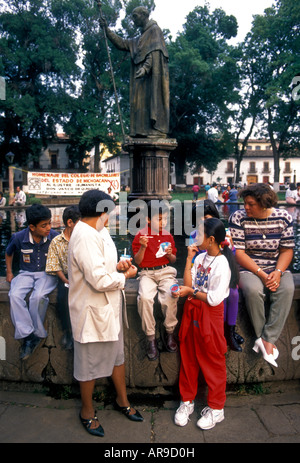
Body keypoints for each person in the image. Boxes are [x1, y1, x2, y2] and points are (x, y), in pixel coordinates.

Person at [68, 189, 143, 437]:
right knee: (88, 365)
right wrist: (125, 276)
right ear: (102, 212)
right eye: (109, 212)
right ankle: (87, 412)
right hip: (92, 312)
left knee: (116, 357)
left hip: (108, 308)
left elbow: (101, 266)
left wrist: (118, 266)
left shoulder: (97, 232)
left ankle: (122, 400)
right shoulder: (84, 236)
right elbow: (98, 280)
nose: (110, 216)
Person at [174, 218, 239, 430]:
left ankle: (216, 408)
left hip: (210, 315)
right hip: (193, 311)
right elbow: (188, 283)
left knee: (213, 360)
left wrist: (191, 292)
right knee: (189, 356)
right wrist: (188, 259)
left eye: (199, 234)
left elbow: (213, 298)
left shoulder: (222, 264)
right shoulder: (201, 257)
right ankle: (186, 401)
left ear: (211, 239)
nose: (195, 236)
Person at [229, 183, 295, 367]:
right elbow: (239, 253)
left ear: (264, 203)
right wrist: (261, 274)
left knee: (287, 288)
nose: (246, 207)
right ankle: (262, 338)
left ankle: (267, 339)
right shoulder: (238, 217)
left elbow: (286, 250)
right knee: (252, 290)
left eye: (251, 204)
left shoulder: (283, 217)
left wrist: (278, 272)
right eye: (245, 203)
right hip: (247, 267)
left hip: (276, 265)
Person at [100, 7, 169, 138]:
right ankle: (141, 132)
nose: (133, 19)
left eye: (135, 16)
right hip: (141, 80)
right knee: (139, 104)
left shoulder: (154, 31)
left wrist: (145, 68)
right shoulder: (139, 38)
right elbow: (122, 43)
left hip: (149, 77)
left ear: (144, 15)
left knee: (150, 103)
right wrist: (107, 30)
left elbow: (155, 52)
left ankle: (154, 130)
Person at [5, 204, 58, 360]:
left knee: (38, 296)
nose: (48, 227)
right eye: (44, 225)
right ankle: (28, 334)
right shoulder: (18, 237)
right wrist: (9, 272)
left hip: (47, 274)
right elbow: (9, 253)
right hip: (25, 273)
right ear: (32, 227)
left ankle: (36, 333)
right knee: (14, 295)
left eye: (49, 223)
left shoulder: (54, 236)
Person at [191, 200, 243, 352]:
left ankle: (230, 331)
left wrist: (230, 244)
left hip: (223, 273)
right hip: (206, 276)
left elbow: (231, 257)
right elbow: (195, 260)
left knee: (233, 294)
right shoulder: (195, 235)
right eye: (199, 218)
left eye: (206, 217)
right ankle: (222, 330)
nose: (203, 221)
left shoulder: (223, 233)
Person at [132, 201, 178, 360]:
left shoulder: (167, 235)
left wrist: (170, 254)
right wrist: (143, 247)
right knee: (144, 298)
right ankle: (150, 337)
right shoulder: (140, 236)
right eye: (159, 219)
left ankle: (169, 331)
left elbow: (173, 260)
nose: (163, 222)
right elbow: (137, 262)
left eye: (165, 219)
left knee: (171, 296)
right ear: (148, 219)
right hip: (147, 274)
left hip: (165, 272)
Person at [45, 205, 81, 349]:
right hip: (65, 276)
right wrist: (66, 280)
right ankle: (68, 331)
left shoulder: (83, 239)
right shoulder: (56, 241)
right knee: (62, 298)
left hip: (82, 275)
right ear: (69, 223)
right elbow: (55, 266)